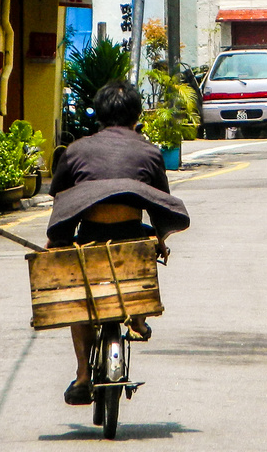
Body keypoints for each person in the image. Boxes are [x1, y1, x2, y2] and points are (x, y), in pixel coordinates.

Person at [47, 79, 190, 406]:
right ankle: (137, 317)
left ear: (98, 114)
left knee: (80, 298)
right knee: (145, 252)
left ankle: (83, 374)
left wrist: (56, 242)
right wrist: (161, 239)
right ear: (137, 115)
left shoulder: (76, 149)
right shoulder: (150, 153)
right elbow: (160, 203)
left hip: (89, 240)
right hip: (131, 238)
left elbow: (60, 200)